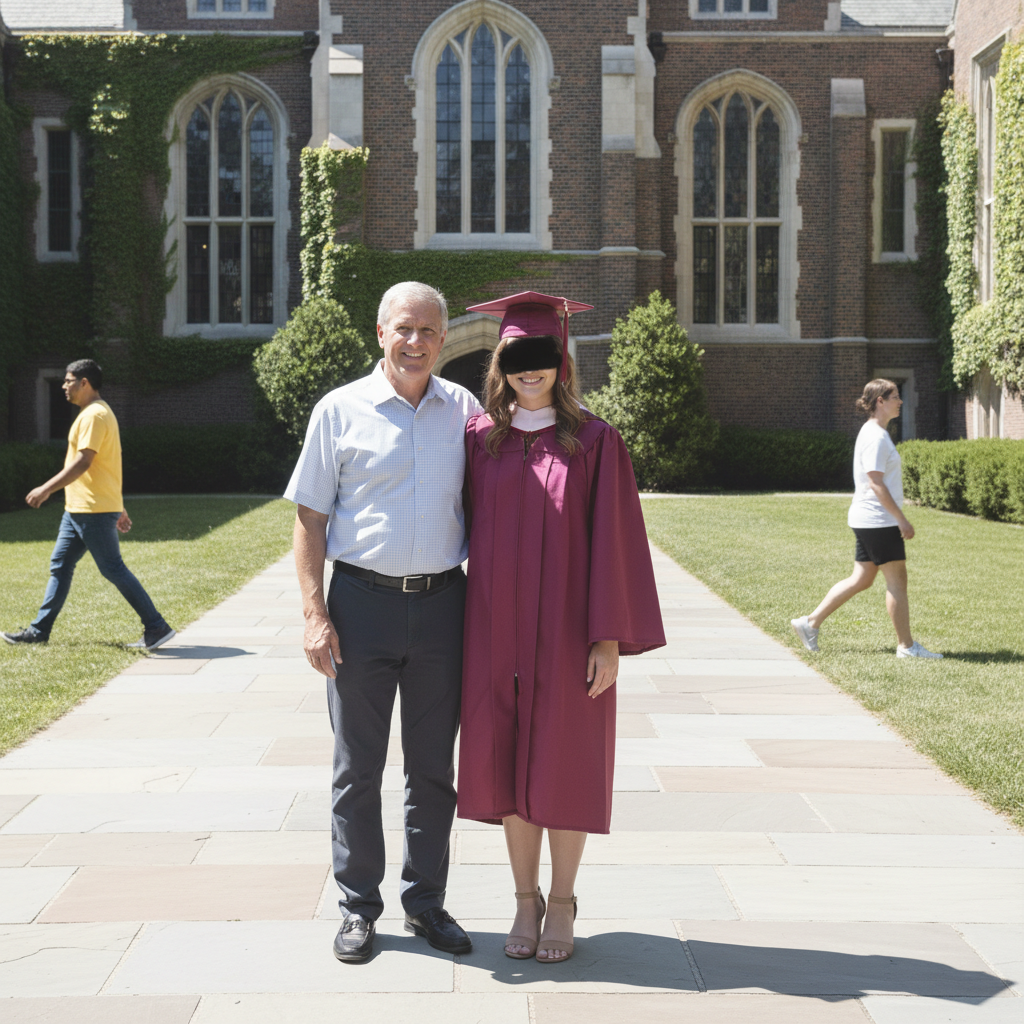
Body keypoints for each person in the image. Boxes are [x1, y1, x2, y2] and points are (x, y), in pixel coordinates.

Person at [456, 291, 666, 963]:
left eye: (542, 356)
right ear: (502, 364)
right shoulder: (479, 441)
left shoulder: (595, 442)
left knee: (564, 765)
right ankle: (524, 899)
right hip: (494, 634)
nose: (530, 369)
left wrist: (609, 639)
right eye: (517, 357)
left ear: (561, 362)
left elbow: (616, 544)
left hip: (569, 638)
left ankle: (565, 901)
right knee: (509, 763)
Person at [285, 281, 483, 964]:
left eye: (430, 331)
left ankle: (425, 903)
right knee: (356, 769)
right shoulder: (339, 411)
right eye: (405, 328)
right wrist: (315, 614)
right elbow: (309, 518)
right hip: (360, 608)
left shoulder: (465, 411)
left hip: (442, 607)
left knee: (433, 769)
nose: (416, 342)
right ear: (380, 333)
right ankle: (358, 907)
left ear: (444, 338)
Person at [3, 359, 175, 651]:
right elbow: (110, 464)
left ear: (85, 383)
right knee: (60, 565)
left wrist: (46, 488)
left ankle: (156, 626)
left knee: (113, 569)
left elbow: (85, 461)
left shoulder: (95, 415)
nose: (63, 386)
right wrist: (118, 506)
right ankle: (38, 630)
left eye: (68, 381)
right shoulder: (94, 413)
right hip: (79, 510)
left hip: (91, 510)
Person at [791, 378, 942, 659]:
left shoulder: (874, 432)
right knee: (897, 581)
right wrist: (901, 519)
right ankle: (907, 647)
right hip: (878, 520)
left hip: (869, 519)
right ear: (880, 402)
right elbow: (875, 483)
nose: (900, 401)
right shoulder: (875, 437)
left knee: (861, 578)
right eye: (895, 396)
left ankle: (809, 623)